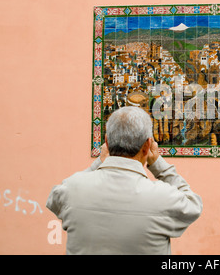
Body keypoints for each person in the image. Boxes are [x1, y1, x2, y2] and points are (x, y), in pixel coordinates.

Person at [46, 106, 203, 254]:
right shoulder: (163, 197)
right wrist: (159, 166)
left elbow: (54, 200)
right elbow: (193, 205)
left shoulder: (72, 189)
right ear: (147, 145)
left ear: (106, 142)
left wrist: (100, 162)